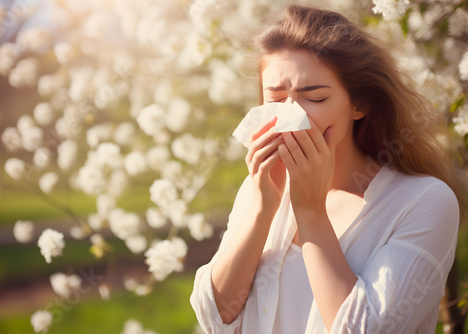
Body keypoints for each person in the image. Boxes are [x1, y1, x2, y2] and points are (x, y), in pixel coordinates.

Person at [190, 4, 461, 334]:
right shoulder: (261, 189)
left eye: (314, 98)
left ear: (359, 104)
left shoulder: (422, 202)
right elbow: (214, 316)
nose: (291, 116)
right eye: (275, 98)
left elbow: (368, 329)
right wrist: (263, 211)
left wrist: (310, 210)